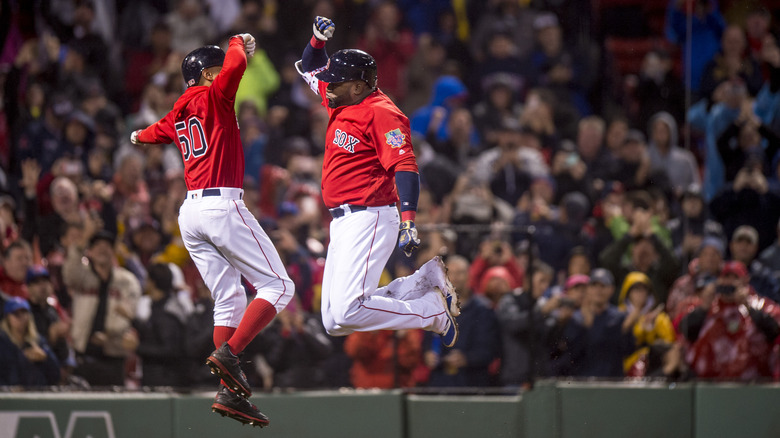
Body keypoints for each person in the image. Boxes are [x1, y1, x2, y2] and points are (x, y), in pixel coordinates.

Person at [130, 34, 293, 427]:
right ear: (205, 74)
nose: (224, 73)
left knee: (228, 300)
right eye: (216, 69)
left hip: (191, 213)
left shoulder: (179, 110)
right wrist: (238, 41)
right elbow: (236, 65)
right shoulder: (212, 96)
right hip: (222, 205)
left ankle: (229, 393)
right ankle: (230, 355)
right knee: (279, 287)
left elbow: (154, 132)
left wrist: (135, 136)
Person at [294, 17, 459, 346]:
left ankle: (433, 314)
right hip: (342, 220)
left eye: (335, 82)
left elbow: (405, 165)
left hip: (370, 215)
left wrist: (409, 219)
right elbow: (311, 67)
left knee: (348, 311)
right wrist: (316, 41)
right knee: (333, 320)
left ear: (357, 86)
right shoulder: (341, 97)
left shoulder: (383, 112)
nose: (327, 85)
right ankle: (421, 282)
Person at [0, 297, 61, 386]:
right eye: (16, 314)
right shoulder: (2, 342)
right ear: (8, 317)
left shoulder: (38, 341)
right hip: (7, 396)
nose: (21, 318)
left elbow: (56, 375)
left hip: (35, 394)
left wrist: (45, 357)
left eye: (24, 313)